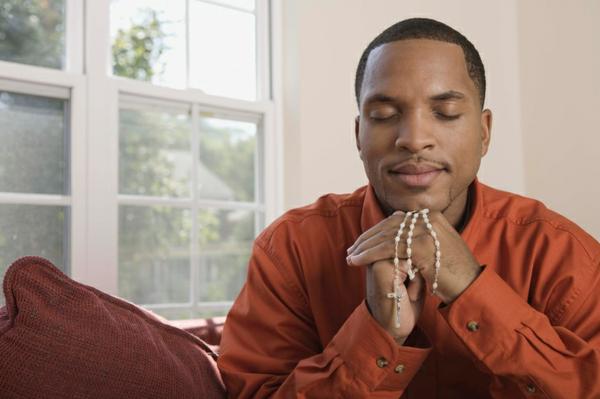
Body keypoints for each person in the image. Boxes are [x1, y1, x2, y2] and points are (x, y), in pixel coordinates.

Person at [217, 18, 600, 398]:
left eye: (446, 113)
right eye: (384, 116)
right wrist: (375, 335)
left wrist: (474, 291)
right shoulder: (290, 250)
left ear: (484, 132)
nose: (414, 139)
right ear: (358, 135)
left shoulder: (565, 255)